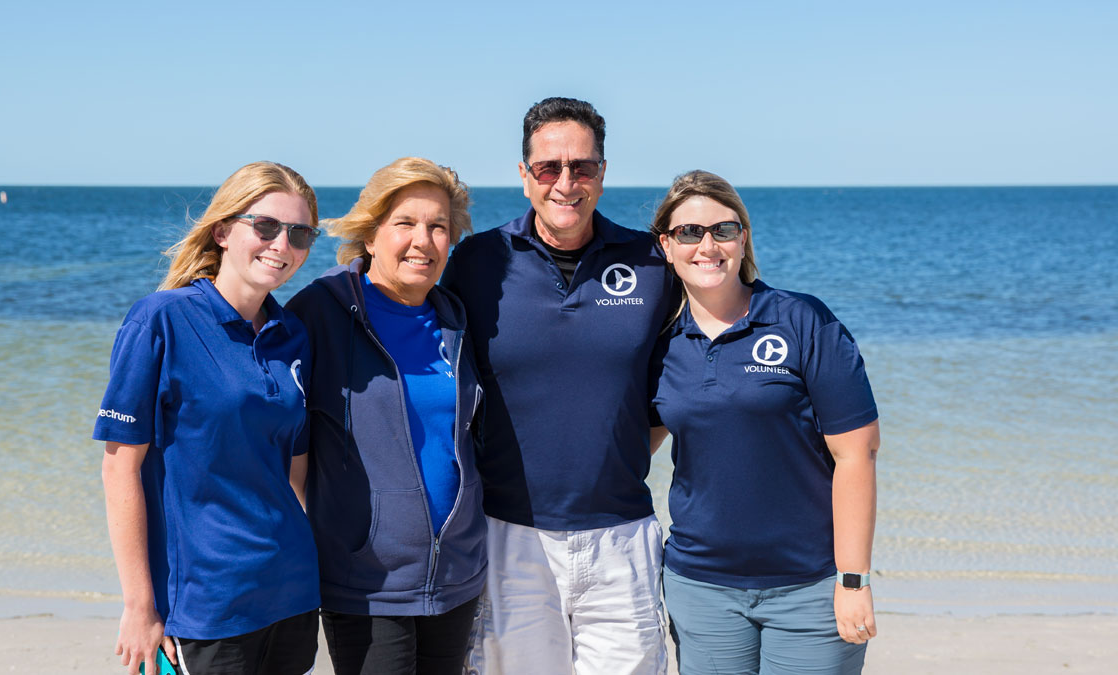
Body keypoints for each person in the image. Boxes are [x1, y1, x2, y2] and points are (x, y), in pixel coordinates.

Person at [442, 97, 675, 674]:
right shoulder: (476, 261)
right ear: (524, 177)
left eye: (583, 167)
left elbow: (676, 387)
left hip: (623, 536)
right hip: (508, 536)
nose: (565, 182)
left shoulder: (653, 262)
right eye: (549, 167)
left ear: (602, 174)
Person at [95, 162, 324, 675]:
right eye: (264, 226)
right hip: (206, 606)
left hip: (292, 592)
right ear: (222, 231)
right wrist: (139, 605)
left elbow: (295, 471)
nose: (281, 245)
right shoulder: (160, 320)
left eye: (299, 233)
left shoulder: (294, 335)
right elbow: (119, 469)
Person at [649, 170, 880, 674]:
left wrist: (853, 581)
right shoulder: (658, 343)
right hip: (700, 588)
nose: (707, 245)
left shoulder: (802, 321)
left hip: (810, 588)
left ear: (743, 237)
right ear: (666, 245)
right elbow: (627, 447)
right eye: (689, 232)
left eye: (723, 230)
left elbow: (856, 455)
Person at [285, 157, 486, 675]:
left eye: (438, 226)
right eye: (405, 223)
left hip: (456, 576)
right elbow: (277, 435)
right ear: (370, 235)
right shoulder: (321, 312)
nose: (423, 239)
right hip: (366, 581)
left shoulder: (456, 319)